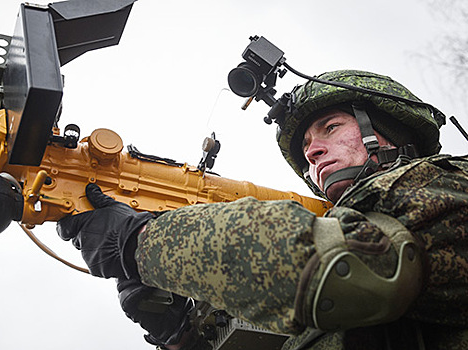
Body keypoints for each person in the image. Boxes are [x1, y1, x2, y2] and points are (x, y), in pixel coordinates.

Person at [57, 70, 468, 349]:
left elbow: (348, 270)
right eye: (306, 149)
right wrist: (183, 335)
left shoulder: (446, 184)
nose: (314, 151)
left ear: (389, 130)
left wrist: (140, 241)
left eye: (330, 128)